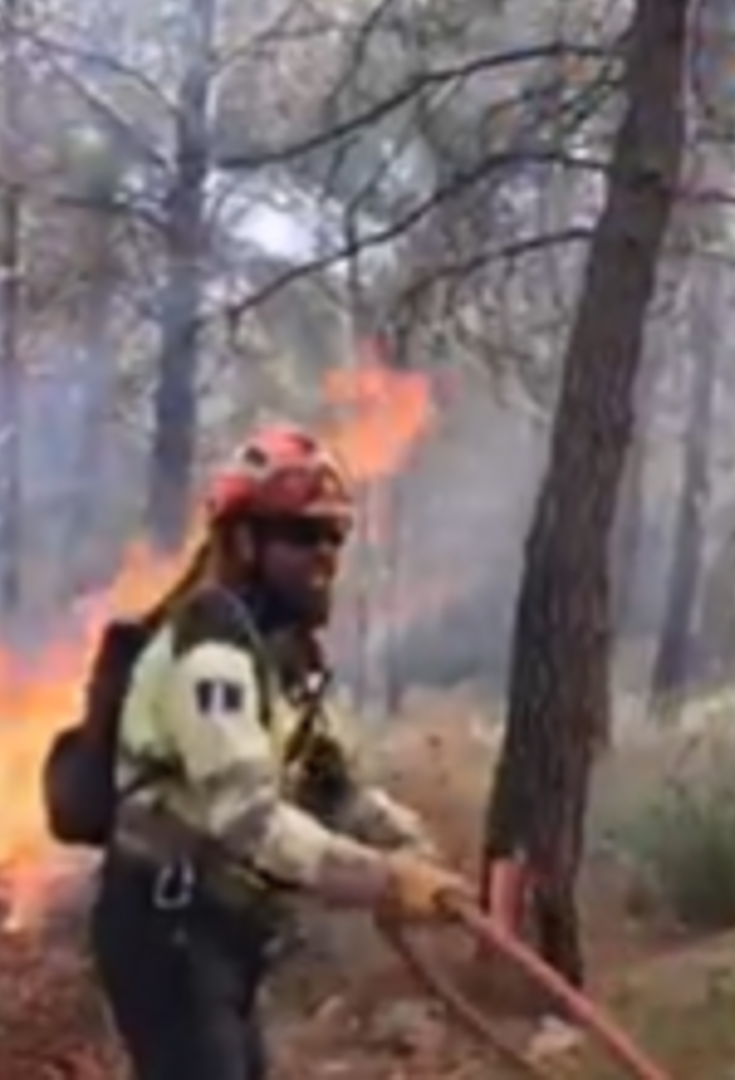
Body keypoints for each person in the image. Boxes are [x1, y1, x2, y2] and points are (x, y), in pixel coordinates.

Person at [90, 423, 471, 1080]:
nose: (325, 555)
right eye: (302, 535)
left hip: (223, 932)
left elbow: (333, 789)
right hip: (167, 931)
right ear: (244, 542)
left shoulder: (280, 656)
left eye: (334, 537)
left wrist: (411, 849)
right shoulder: (210, 650)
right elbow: (249, 820)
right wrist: (384, 881)